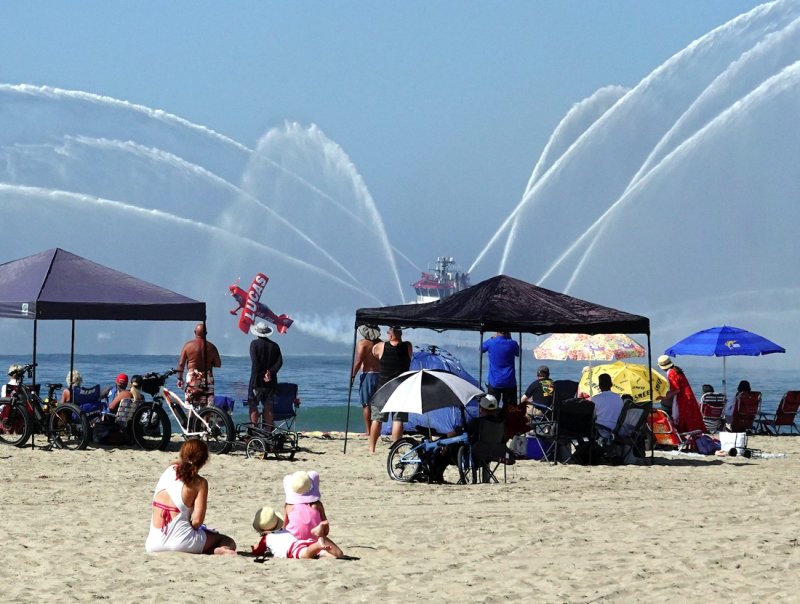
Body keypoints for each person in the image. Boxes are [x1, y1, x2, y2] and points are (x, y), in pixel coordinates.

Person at [145, 439, 236, 555]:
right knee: (227, 541)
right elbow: (197, 521)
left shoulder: (168, 470)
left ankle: (208, 549)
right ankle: (214, 550)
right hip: (182, 542)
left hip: (153, 543)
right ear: (204, 461)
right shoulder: (200, 483)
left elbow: (178, 463)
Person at [368, 326, 412, 453]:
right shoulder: (408, 346)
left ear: (391, 335)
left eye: (388, 333)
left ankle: (372, 448)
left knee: (377, 419)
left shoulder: (381, 346)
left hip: (383, 387)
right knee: (398, 420)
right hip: (401, 387)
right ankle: (395, 449)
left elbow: (374, 352)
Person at [251, 506, 343, 559]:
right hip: (300, 542)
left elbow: (258, 552)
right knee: (336, 554)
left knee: (305, 554)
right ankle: (321, 539)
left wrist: (254, 548)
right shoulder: (285, 530)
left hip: (292, 549)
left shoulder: (266, 538)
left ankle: (318, 544)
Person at [248, 321, 283, 431]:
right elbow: (280, 362)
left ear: (257, 332)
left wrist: (254, 381)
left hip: (257, 381)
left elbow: (255, 363)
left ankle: (254, 429)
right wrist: (270, 372)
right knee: (268, 406)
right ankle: (268, 430)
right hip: (271, 382)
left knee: (253, 405)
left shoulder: (254, 344)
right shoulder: (275, 346)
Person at [176, 323, 222, 406]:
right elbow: (218, 364)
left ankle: (190, 418)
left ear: (195, 332)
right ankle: (205, 417)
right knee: (208, 404)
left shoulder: (188, 346)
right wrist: (209, 363)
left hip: (192, 376)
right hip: (207, 376)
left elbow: (181, 364)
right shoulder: (211, 347)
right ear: (206, 333)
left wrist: (179, 378)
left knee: (191, 403)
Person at [657, 355, 705, 434]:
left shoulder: (671, 373)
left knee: (684, 421)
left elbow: (676, 390)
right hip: (688, 397)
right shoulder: (676, 370)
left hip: (683, 399)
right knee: (692, 421)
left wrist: (662, 397)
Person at [351, 325, 381, 436]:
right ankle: (376, 431)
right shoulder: (381, 343)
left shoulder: (362, 343)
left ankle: (369, 431)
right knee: (377, 404)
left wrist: (352, 376)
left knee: (366, 404)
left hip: (368, 375)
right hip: (380, 375)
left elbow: (359, 361)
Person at [283, 470, 330, 540]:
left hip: (294, 540)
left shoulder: (289, 507)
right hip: (315, 538)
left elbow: (284, 526)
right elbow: (326, 527)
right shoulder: (316, 505)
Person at [480, 331, 519, 409]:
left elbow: (481, 349)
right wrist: (510, 339)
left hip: (494, 381)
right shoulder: (513, 343)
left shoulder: (491, 342)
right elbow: (518, 353)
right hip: (509, 381)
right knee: (510, 409)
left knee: (491, 408)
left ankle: (492, 420)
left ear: (497, 332)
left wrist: (492, 338)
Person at [591, 373, 625, 441]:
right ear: (611, 384)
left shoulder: (595, 399)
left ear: (600, 385)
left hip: (602, 430)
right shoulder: (619, 398)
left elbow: (592, 416)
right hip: (616, 430)